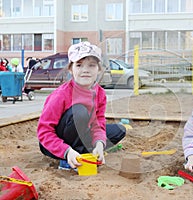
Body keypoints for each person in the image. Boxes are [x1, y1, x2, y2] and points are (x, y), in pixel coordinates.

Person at [37, 41, 126, 170]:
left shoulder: (100, 93)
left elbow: (98, 123)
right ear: (71, 69)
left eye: (91, 65)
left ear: (99, 69)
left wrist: (100, 143)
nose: (85, 70)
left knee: (119, 130)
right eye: (79, 65)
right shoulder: (61, 95)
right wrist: (66, 151)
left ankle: (88, 151)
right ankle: (70, 159)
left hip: (83, 132)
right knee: (80, 111)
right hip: (56, 144)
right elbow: (44, 132)